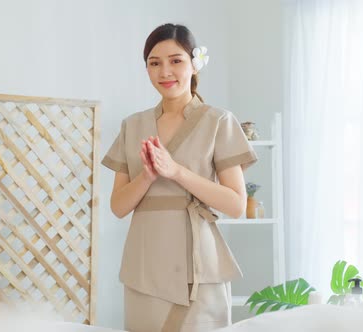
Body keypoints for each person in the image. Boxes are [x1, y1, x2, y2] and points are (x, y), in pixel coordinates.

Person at [101, 23, 258, 332]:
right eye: (154, 63)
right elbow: (118, 207)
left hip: (198, 264)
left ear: (193, 64)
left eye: (176, 60)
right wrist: (147, 176)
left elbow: (236, 204)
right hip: (145, 264)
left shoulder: (219, 121)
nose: (165, 71)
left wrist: (176, 172)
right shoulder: (132, 126)